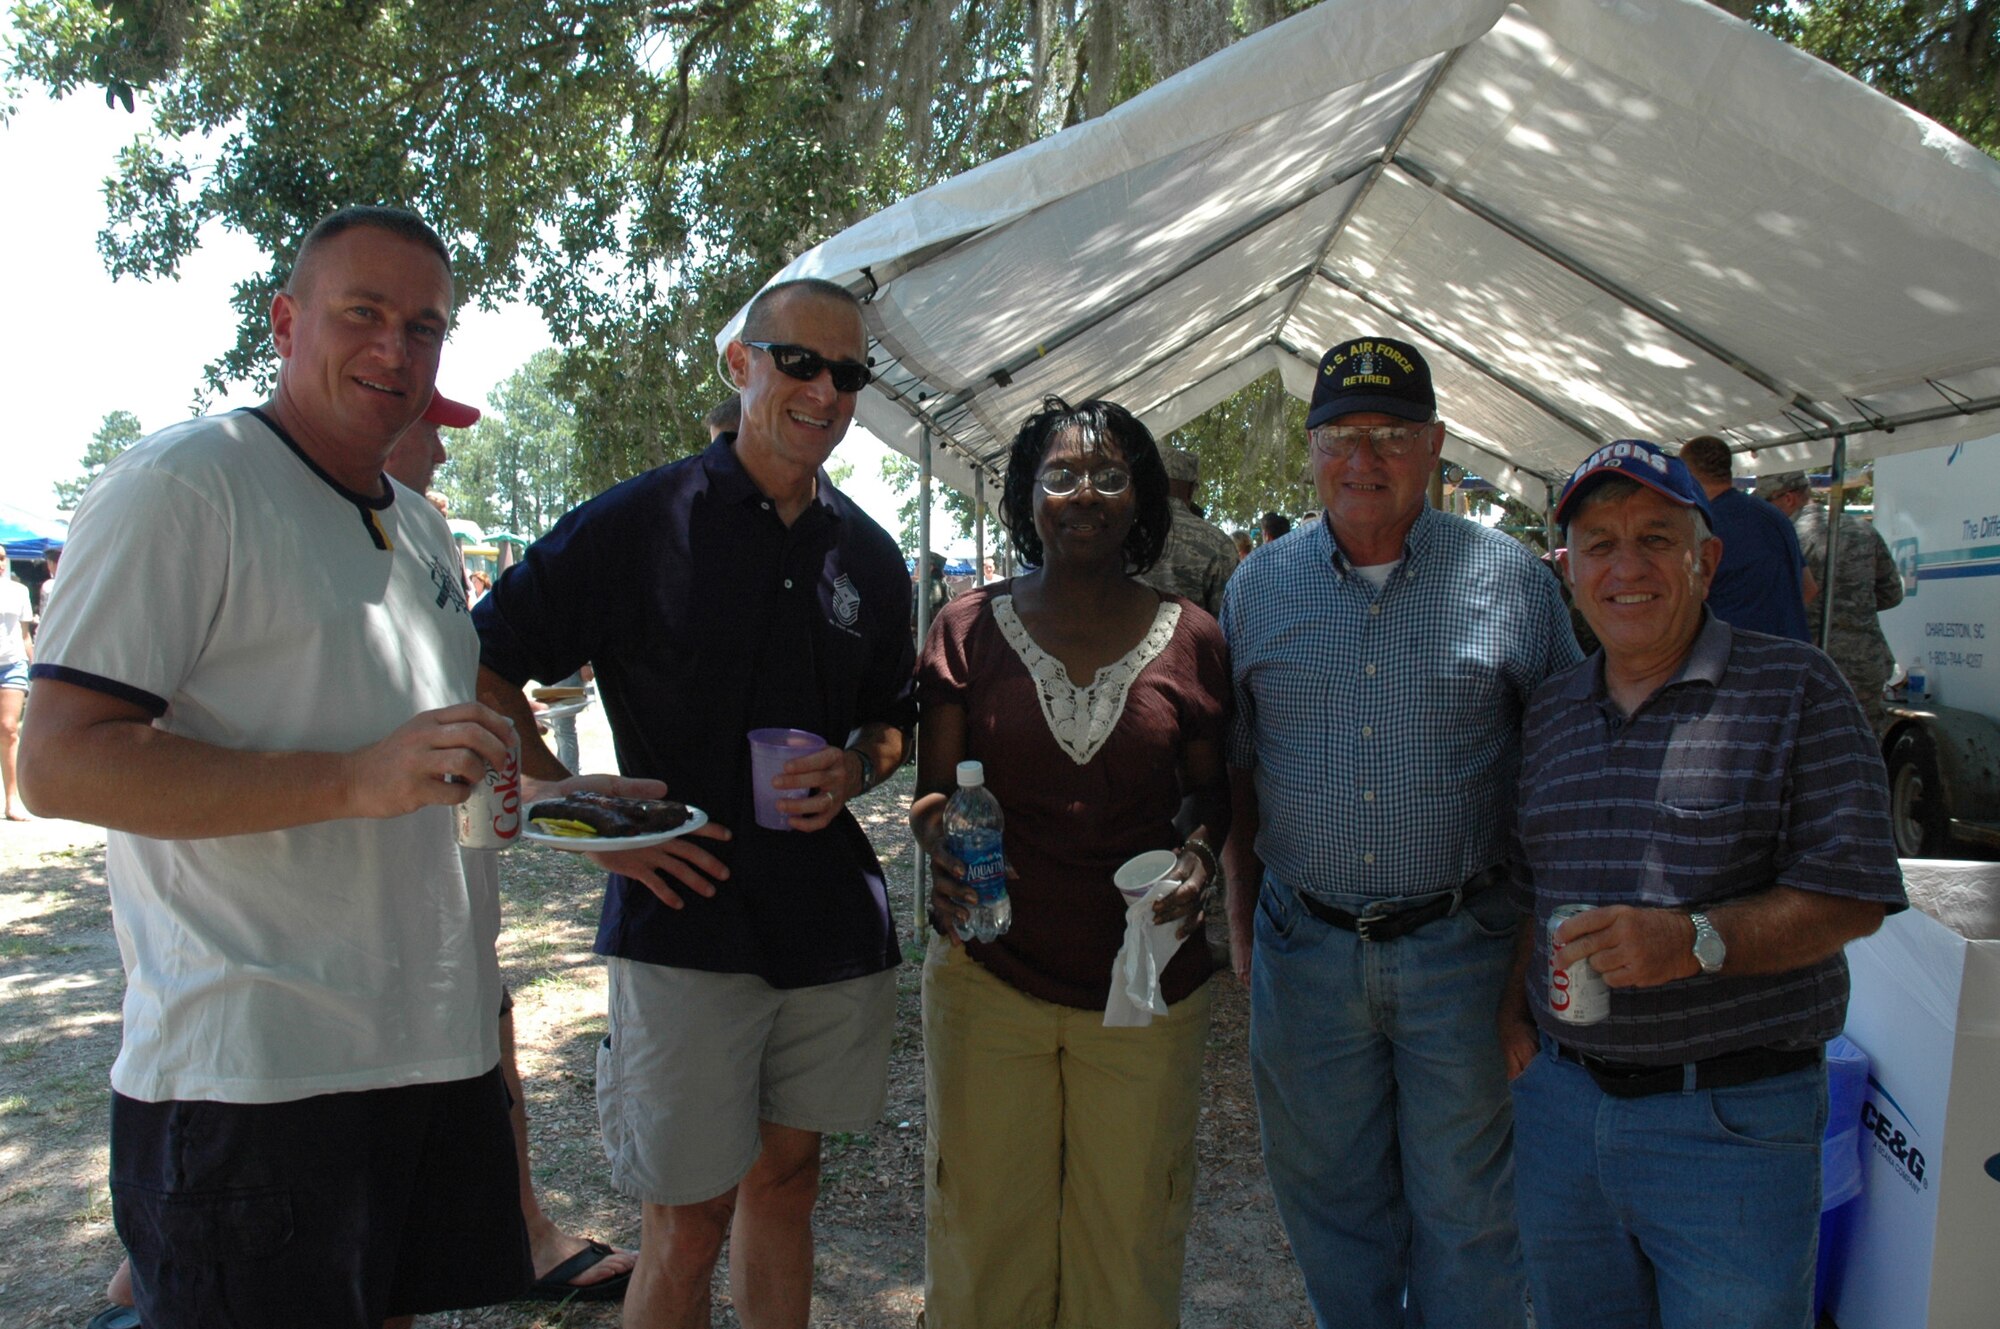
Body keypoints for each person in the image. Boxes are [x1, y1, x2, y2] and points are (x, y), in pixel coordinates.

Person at [20, 205, 658, 1327]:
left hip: (433, 1051)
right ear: (285, 320)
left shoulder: (417, 528)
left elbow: (426, 748)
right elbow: (62, 766)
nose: (395, 349)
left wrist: (557, 797)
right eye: (362, 313)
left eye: (425, 326)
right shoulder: (184, 485)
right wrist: (349, 779)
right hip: (258, 1075)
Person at [472, 276, 915, 1329]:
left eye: (846, 373)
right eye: (797, 362)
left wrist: (859, 766)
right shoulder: (638, 524)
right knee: (687, 1218)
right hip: (683, 922)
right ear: (739, 364)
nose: (824, 391)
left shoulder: (868, 555)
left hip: (824, 926)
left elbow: (891, 717)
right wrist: (562, 807)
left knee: (788, 1185)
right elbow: (483, 665)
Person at [1502, 439, 1905, 1329]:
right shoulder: (1552, 711)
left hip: (1731, 1123)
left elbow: (1854, 893)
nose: (1628, 566)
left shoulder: (1798, 688)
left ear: (1707, 558)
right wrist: (1510, 1015)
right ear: (1569, 570)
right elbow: (1529, 887)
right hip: (1565, 1117)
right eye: (1600, 543)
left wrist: (1694, 941)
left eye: (1655, 537)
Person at [1220, 336, 1580, 1328]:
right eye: (1339, 434)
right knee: (1329, 1203)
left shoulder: (1512, 583)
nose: (1362, 459)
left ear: (1434, 447)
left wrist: (1524, 959)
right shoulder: (1257, 588)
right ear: (1309, 451)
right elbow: (1237, 776)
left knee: (1468, 1214)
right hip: (1304, 949)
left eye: (1388, 434)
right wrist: (1245, 931)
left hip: (1461, 951)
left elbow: (1560, 779)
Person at [913, 397, 1229, 1329]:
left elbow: (1212, 792)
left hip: (1143, 988)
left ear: (1142, 501)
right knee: (982, 1238)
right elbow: (932, 791)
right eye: (1060, 474)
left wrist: (1201, 856)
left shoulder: (1195, 637)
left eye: (1108, 474)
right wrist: (941, 838)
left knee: (1128, 1244)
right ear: (1028, 497)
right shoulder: (966, 628)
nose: (1083, 492)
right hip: (988, 975)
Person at [1758, 469, 1905, 734]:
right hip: (1865, 661)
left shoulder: (1786, 537)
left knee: (1813, 745)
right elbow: (1892, 593)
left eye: (1767, 503)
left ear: (1788, 498)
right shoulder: (1864, 530)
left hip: (1812, 659)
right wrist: (1852, 607)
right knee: (1866, 742)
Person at [1676, 435, 1813, 641]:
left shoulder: (1703, 524)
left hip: (1735, 657)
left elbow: (1680, 604)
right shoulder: (1774, 515)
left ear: (1686, 474)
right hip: (1789, 653)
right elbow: (1809, 588)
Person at [1135, 445, 1238, 616]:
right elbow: (1230, 617)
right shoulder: (1218, 543)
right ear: (1191, 490)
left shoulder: (1123, 531)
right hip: (1192, 640)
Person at [0, 569, 30, 821]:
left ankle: (12, 800)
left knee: (9, 729)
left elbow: (25, 634)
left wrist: (37, 667)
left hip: (12, 665)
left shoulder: (18, 591)